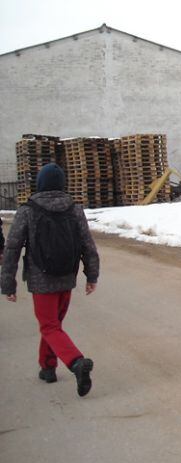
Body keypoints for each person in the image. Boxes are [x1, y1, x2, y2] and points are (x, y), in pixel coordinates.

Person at [1, 163, 99, 397]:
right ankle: (47, 367)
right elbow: (88, 244)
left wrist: (8, 284)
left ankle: (76, 362)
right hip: (66, 277)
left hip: (41, 279)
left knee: (49, 326)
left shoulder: (28, 210)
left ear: (41, 183)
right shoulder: (74, 209)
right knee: (54, 326)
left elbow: (12, 248)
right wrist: (91, 275)